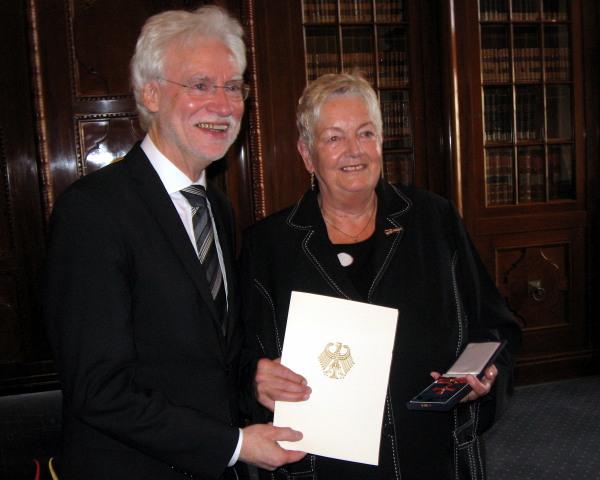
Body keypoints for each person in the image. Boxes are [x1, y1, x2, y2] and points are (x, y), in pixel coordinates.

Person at [43, 6, 304, 479]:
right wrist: (235, 444)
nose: (223, 105)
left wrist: (255, 377)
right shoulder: (93, 212)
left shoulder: (215, 208)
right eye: (201, 85)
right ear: (151, 93)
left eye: (233, 86)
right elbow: (100, 390)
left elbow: (209, 354)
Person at [239, 72, 522, 480]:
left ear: (381, 141)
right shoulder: (268, 245)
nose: (354, 151)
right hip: (321, 467)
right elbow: (241, 356)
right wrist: (255, 379)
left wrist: (486, 374)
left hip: (432, 455)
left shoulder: (434, 219)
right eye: (333, 138)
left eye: (365, 133)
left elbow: (496, 328)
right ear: (306, 154)